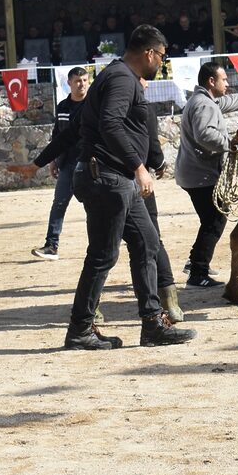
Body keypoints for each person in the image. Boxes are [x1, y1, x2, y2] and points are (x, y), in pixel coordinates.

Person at [64, 25, 195, 350]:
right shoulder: (122, 78)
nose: (161, 63)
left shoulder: (117, 75)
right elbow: (109, 122)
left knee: (147, 243)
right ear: (148, 53)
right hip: (108, 177)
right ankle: (80, 330)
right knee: (103, 255)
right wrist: (139, 168)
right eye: (161, 56)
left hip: (113, 178)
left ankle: (152, 324)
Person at [176, 60, 238, 288]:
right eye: (224, 79)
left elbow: (230, 101)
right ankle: (197, 272)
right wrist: (231, 143)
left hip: (194, 174)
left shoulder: (203, 100)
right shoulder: (205, 105)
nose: (227, 84)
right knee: (214, 221)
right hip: (200, 176)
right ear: (211, 81)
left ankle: (195, 264)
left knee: (209, 220)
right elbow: (204, 134)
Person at [31, 67, 90, 261]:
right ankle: (51, 245)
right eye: (77, 81)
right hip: (67, 163)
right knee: (59, 204)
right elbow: (58, 135)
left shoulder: (93, 105)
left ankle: (97, 246)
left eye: (84, 80)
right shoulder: (64, 106)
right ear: (69, 83)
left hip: (89, 164)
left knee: (93, 206)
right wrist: (55, 160)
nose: (81, 84)